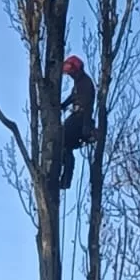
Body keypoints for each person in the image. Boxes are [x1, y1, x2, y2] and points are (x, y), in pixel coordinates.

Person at [59, 54, 95, 190]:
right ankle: (64, 178)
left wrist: (86, 125)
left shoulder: (85, 83)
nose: (70, 76)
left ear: (77, 70)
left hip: (80, 119)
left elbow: (87, 106)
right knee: (64, 145)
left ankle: (65, 179)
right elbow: (73, 97)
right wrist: (62, 105)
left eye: (71, 73)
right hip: (77, 117)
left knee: (63, 141)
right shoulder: (79, 83)